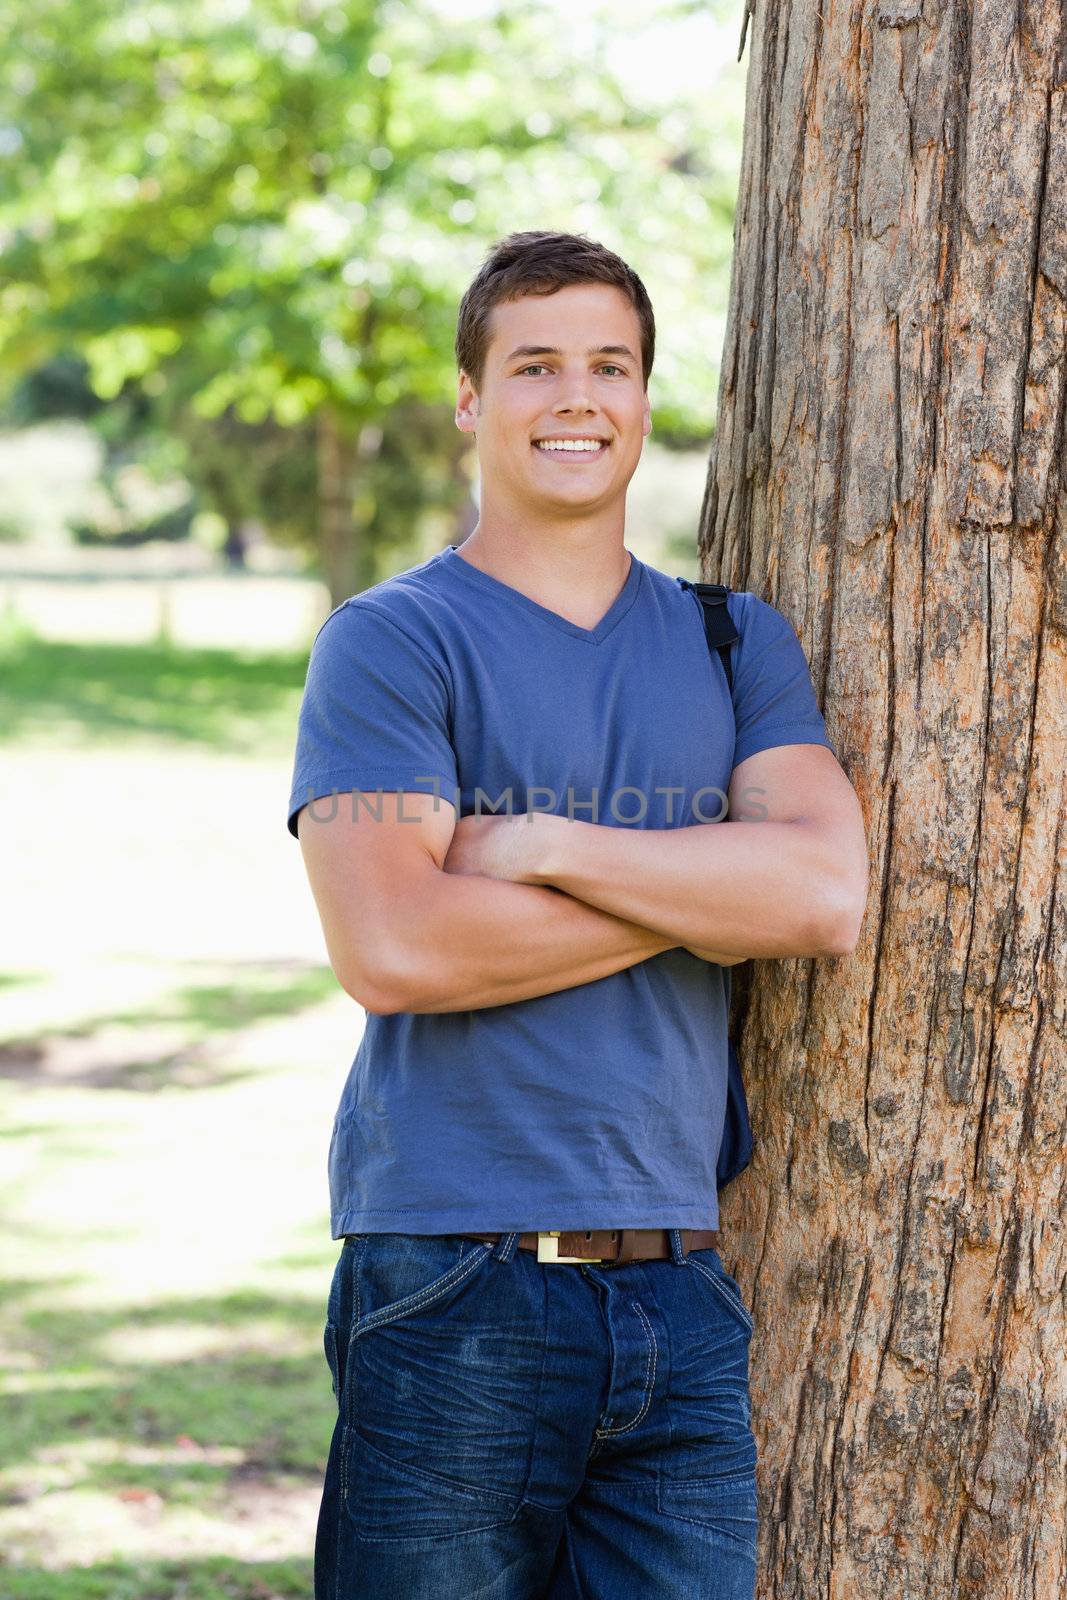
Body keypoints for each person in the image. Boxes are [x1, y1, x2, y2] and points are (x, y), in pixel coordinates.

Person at [287, 229, 868, 1599]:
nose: (576, 397)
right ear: (471, 403)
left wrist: (549, 846)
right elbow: (397, 947)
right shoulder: (394, 638)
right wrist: (711, 888)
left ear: (645, 397)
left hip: (680, 1291)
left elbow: (823, 894)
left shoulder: (736, 641)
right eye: (534, 365)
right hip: (451, 1276)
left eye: (610, 365)